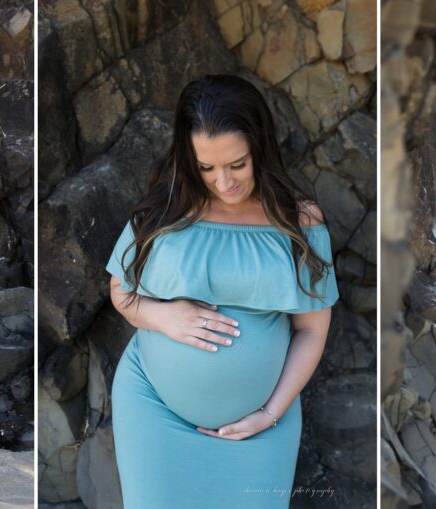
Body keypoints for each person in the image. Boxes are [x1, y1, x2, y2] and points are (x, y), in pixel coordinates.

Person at [105, 74, 339, 507]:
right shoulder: (169, 206)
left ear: (260, 149)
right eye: (206, 167)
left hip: (262, 426)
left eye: (237, 165)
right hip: (153, 410)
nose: (223, 182)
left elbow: (312, 331)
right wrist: (165, 317)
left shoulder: (299, 221)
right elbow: (122, 291)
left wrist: (270, 414)